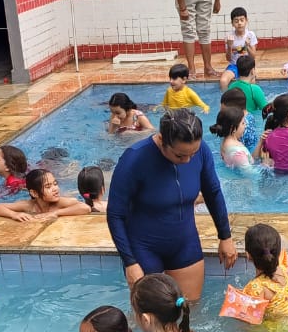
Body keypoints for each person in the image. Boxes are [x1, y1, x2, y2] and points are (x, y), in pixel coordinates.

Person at [107, 109, 237, 304]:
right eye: (179, 155)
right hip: (144, 248)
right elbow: (115, 214)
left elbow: (213, 193)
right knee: (152, 317)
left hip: (184, 243)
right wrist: (130, 262)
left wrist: (225, 236)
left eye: (192, 154)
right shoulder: (135, 159)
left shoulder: (200, 151)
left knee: (190, 310)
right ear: (161, 140)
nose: (187, 161)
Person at [242, 223, 288, 322]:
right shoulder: (284, 270)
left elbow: (252, 321)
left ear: (248, 255)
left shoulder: (256, 287)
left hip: (282, 330)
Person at [0, 169, 92, 222]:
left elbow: (85, 208)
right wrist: (14, 215)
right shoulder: (28, 205)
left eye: (55, 184)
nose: (55, 189)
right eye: (48, 186)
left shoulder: (60, 203)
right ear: (34, 193)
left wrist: (56, 213)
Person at [210, 104, 257, 174]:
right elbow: (251, 174)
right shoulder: (237, 152)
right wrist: (266, 165)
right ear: (233, 128)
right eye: (243, 123)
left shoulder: (225, 141)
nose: (246, 125)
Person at [220, 6, 257, 89]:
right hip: (234, 65)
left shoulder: (250, 35)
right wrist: (229, 46)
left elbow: (253, 56)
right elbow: (228, 59)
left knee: (252, 82)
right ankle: (226, 100)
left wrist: (247, 46)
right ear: (232, 23)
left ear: (246, 21)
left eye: (242, 20)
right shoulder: (229, 37)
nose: (239, 23)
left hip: (247, 65)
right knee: (223, 81)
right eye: (236, 21)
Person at [220, 86, 261, 151]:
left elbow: (236, 151)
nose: (221, 112)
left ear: (233, 109)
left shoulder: (240, 126)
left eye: (223, 110)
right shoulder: (250, 116)